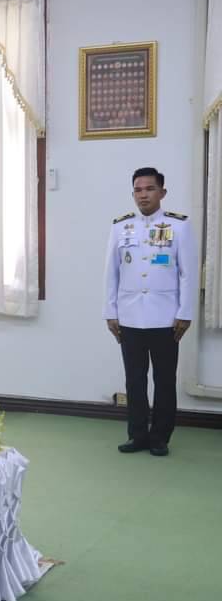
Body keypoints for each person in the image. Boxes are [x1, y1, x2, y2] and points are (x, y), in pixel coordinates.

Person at [105, 167, 194, 457]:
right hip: (130, 316)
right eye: (138, 190)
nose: (143, 194)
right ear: (133, 193)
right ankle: (138, 434)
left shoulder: (179, 226)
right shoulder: (121, 227)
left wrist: (185, 312)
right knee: (134, 379)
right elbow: (111, 273)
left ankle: (160, 437)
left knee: (165, 380)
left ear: (162, 193)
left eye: (150, 189)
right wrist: (111, 311)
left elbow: (187, 274)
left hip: (166, 317)